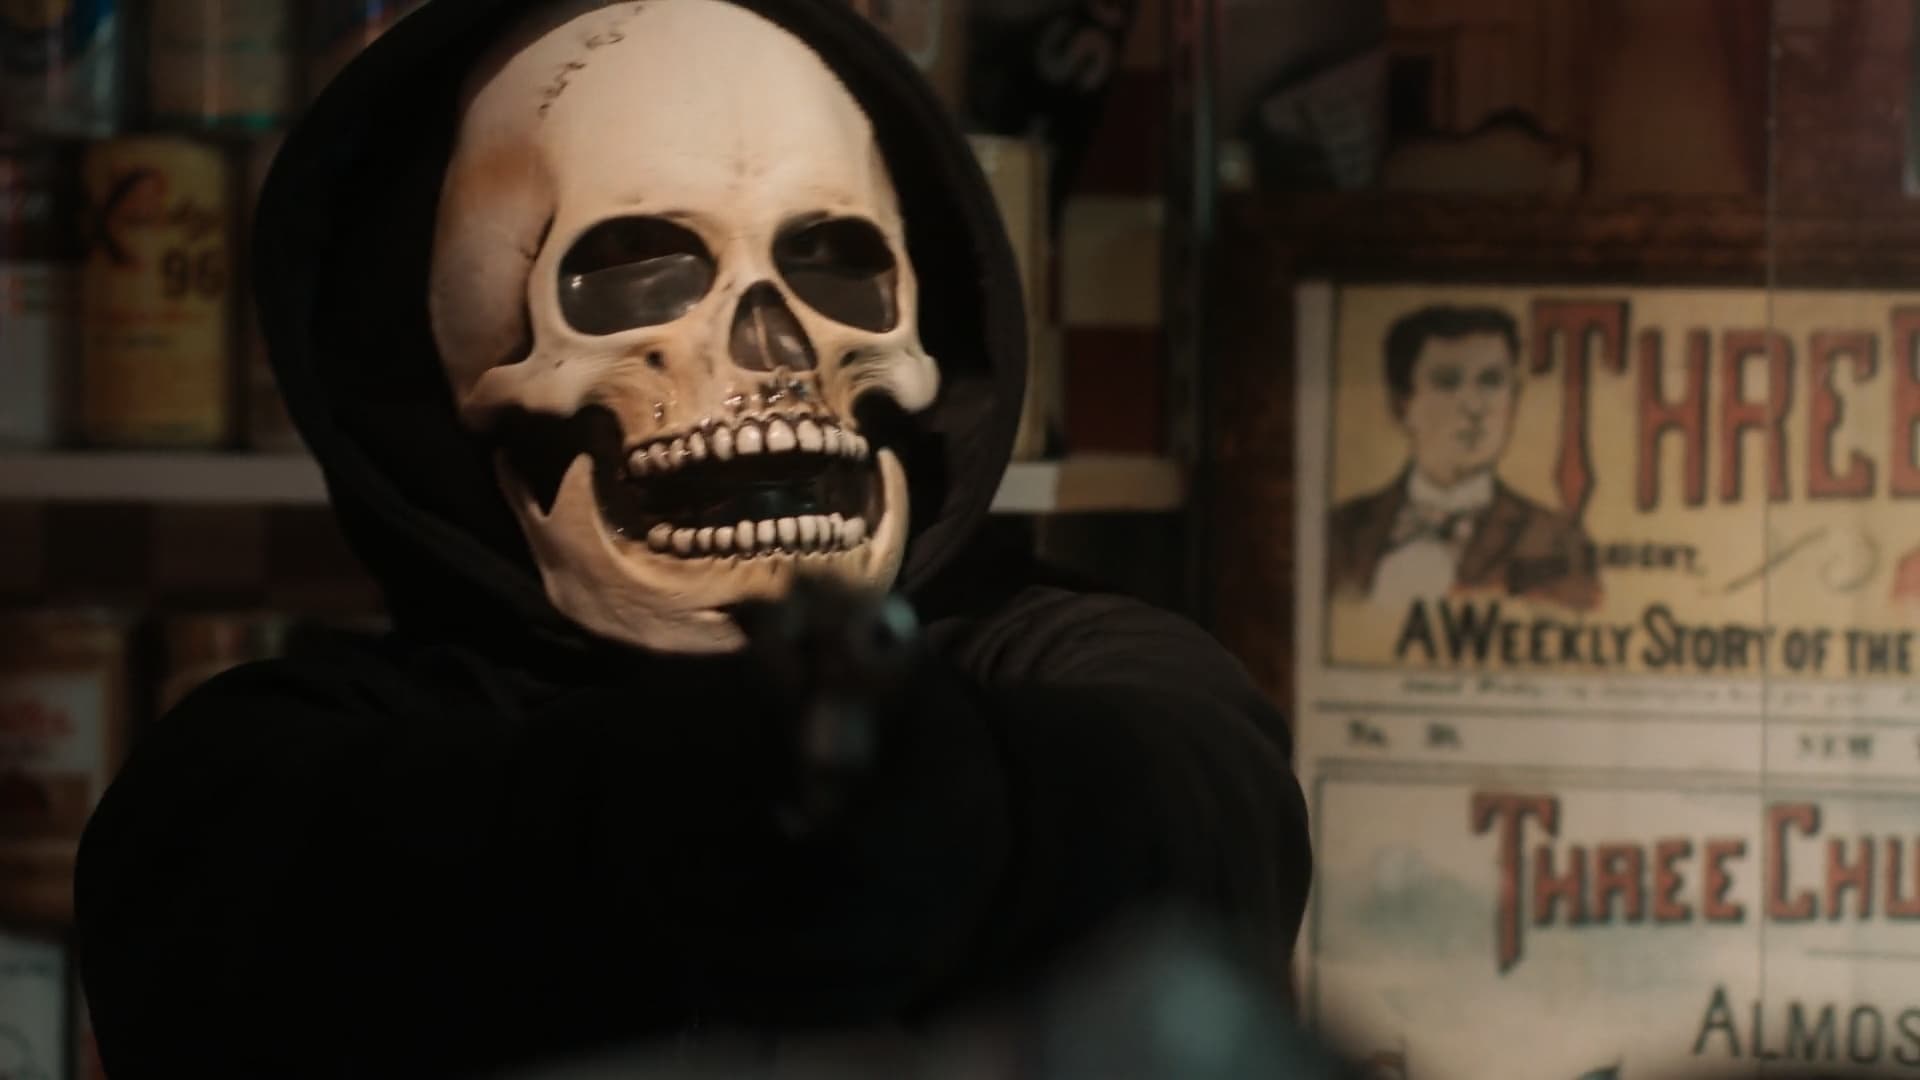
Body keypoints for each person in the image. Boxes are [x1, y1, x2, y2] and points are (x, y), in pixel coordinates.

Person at [71, 0, 1311, 1075]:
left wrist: (972, 808)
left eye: (832, 262)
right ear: (457, 376)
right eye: (635, 270)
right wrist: (649, 815)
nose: (772, 349)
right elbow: (219, 901)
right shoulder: (308, 747)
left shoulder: (1060, 660)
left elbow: (1204, 804)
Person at [1327, 305, 1600, 611]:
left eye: (1491, 381)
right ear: (1401, 404)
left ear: (1514, 398)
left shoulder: (1558, 539)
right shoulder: (1338, 533)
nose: (1474, 406)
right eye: (1447, 382)